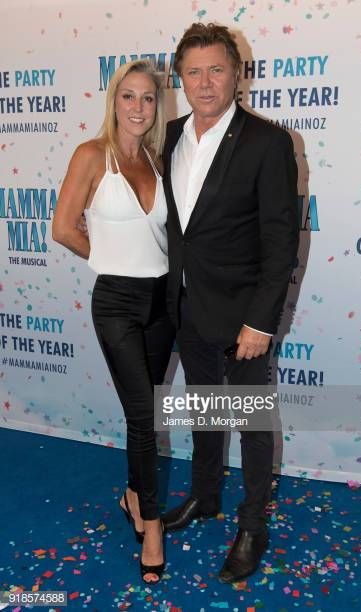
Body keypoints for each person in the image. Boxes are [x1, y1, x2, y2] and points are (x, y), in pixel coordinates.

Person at [161, 23, 299, 583]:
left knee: (253, 423)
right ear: (181, 79)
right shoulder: (169, 136)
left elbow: (281, 243)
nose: (204, 82)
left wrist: (261, 323)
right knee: (204, 408)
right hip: (186, 306)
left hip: (244, 315)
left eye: (216, 69)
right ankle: (205, 495)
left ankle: (252, 526)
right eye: (193, 72)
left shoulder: (268, 142)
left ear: (237, 74)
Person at [52, 59, 175, 584]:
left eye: (148, 98)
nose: (138, 107)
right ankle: (152, 526)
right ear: (114, 101)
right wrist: (107, 260)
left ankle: (132, 494)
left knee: (142, 413)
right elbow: (63, 228)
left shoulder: (157, 159)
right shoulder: (91, 155)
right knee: (144, 415)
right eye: (129, 96)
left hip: (163, 303)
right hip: (118, 303)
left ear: (157, 106)